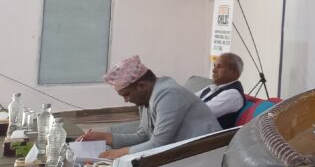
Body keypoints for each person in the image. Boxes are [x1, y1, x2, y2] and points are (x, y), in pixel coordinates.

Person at [81, 55, 221, 158]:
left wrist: (115, 154)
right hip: (186, 153)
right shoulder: (146, 98)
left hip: (206, 154)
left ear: (141, 86)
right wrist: (105, 137)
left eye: (127, 94)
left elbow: (158, 144)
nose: (126, 100)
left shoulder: (168, 94)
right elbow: (143, 136)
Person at [198, 53, 245, 129]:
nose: (213, 70)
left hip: (206, 135)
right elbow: (189, 99)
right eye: (214, 66)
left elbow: (199, 113)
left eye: (219, 66)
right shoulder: (213, 87)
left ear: (234, 72)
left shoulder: (233, 94)